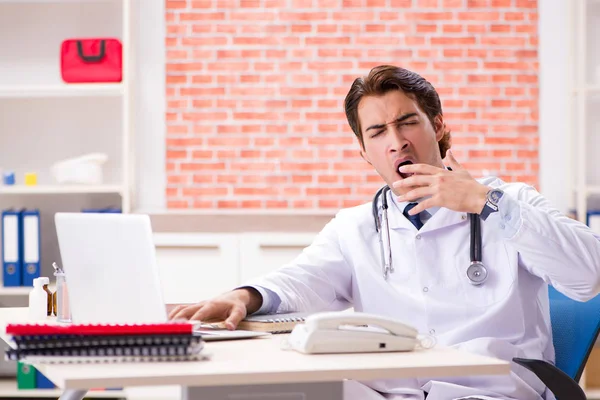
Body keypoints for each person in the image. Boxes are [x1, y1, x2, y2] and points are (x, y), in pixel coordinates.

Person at [169, 65, 600, 400]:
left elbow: (588, 274)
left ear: (439, 126)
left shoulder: (510, 201)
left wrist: (483, 203)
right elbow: (300, 281)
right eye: (377, 132)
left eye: (408, 122)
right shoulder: (356, 226)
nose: (397, 141)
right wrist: (243, 296)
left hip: (490, 387)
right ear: (364, 151)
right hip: (389, 388)